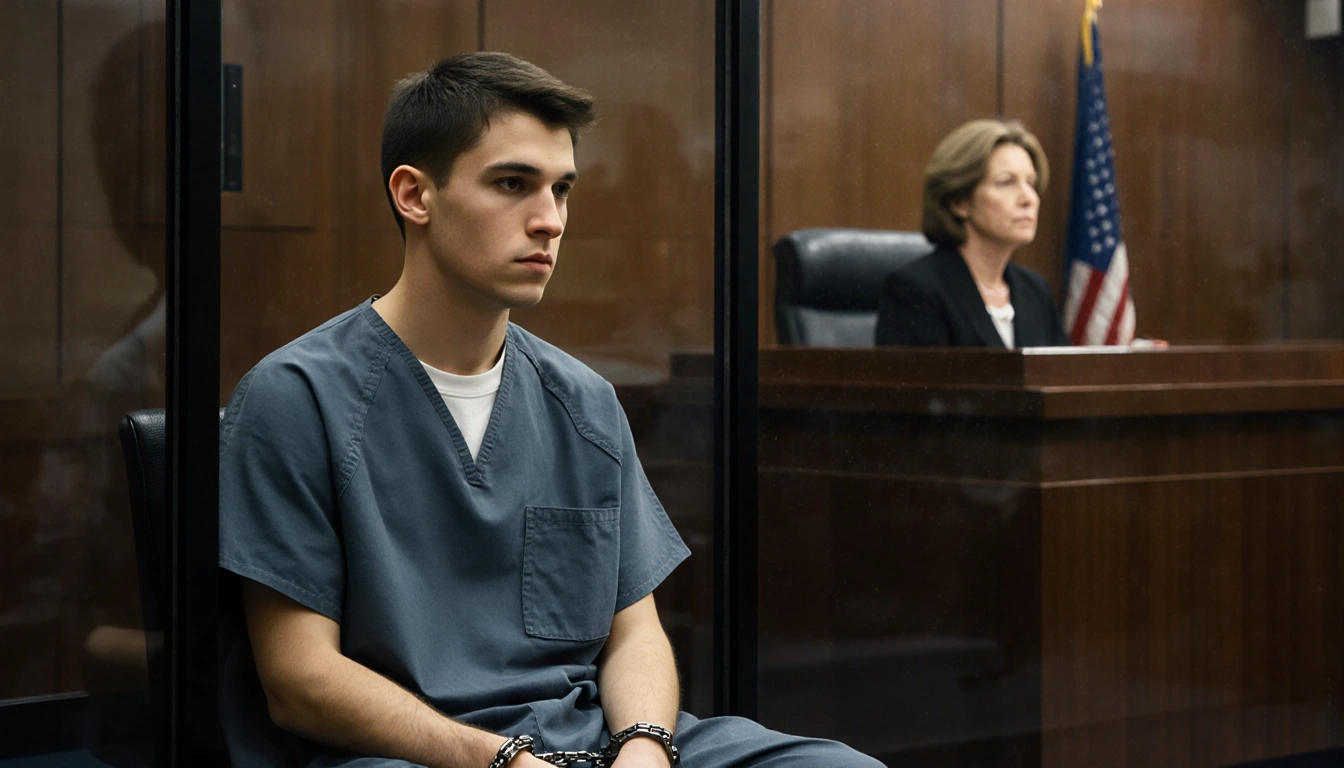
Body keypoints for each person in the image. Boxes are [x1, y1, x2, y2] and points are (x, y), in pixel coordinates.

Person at [218, 52, 882, 768]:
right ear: (414, 194)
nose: (550, 220)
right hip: (416, 756)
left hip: (589, 742)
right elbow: (300, 681)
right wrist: (499, 761)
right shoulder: (297, 397)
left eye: (561, 190)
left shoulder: (585, 403)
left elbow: (634, 634)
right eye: (513, 184)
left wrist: (645, 750)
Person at [875, 119, 1070, 348]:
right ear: (959, 201)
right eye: (1006, 182)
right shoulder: (916, 291)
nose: (1029, 198)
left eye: (1031, 183)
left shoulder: (1035, 290)